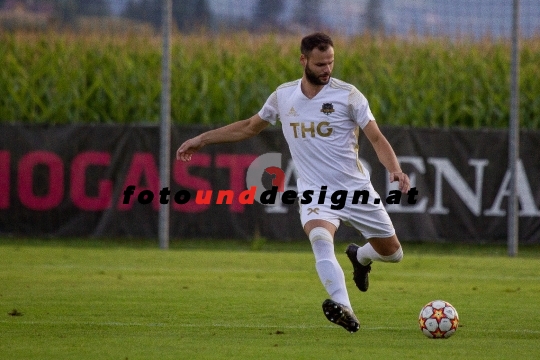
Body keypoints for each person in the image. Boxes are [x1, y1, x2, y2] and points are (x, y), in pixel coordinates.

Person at [176, 32, 410, 333]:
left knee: (394, 253)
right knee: (320, 240)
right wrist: (201, 139)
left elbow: (376, 137)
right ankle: (345, 308)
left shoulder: (348, 95)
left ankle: (360, 255)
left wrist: (394, 169)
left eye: (331, 63)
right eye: (320, 64)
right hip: (315, 192)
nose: (327, 69)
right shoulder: (283, 96)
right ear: (303, 61)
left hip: (356, 190)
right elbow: (249, 127)